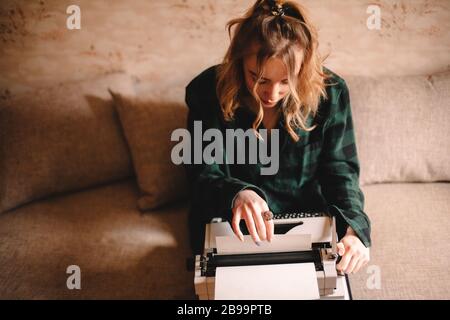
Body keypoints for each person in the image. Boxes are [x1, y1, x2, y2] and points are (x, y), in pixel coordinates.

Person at [184, 0, 371, 274]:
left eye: (286, 81)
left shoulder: (331, 93)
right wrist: (237, 193)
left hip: (306, 219)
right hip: (228, 223)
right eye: (258, 78)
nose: (271, 94)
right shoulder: (206, 91)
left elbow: (340, 171)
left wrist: (354, 230)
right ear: (239, 60)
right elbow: (200, 172)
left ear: (304, 68)